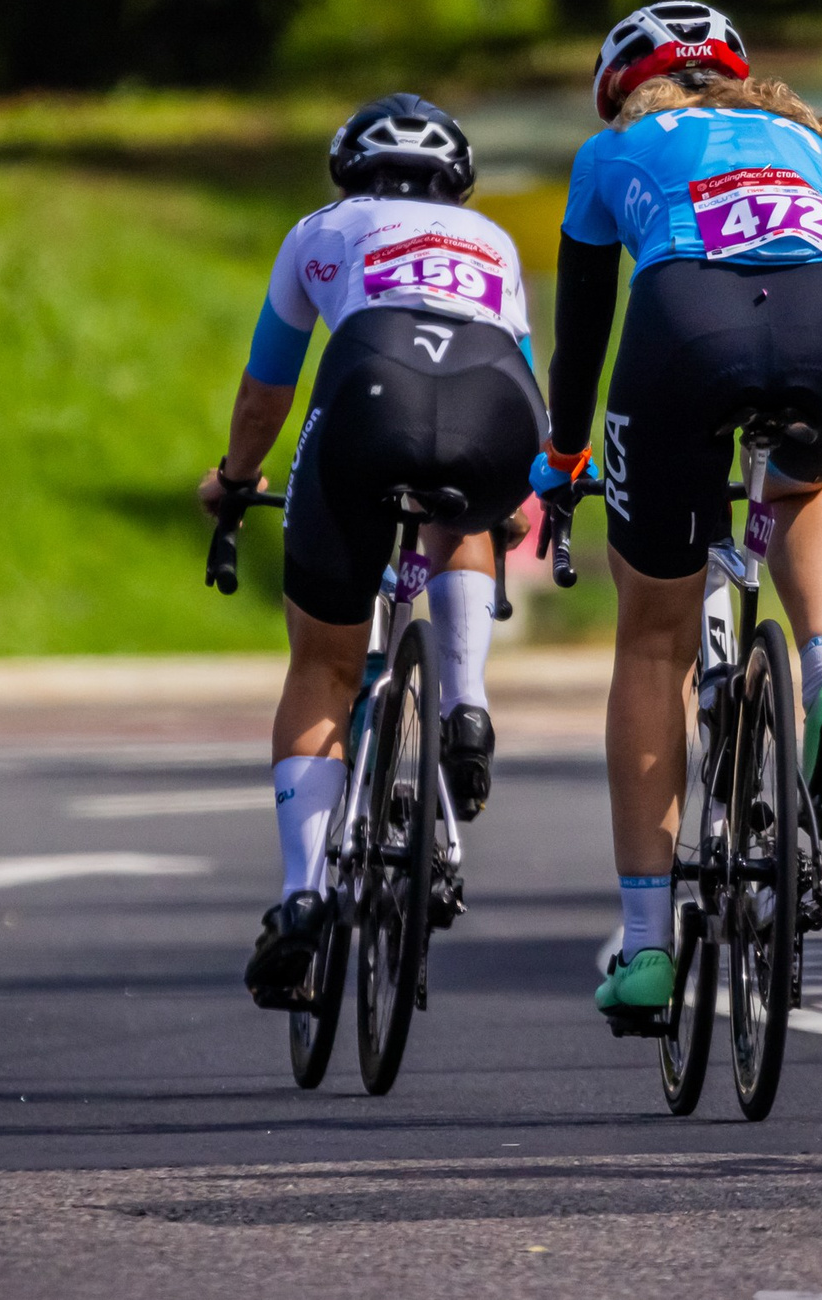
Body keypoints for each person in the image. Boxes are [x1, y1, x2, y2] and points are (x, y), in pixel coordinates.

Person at [538, 0, 822, 1022]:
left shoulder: (613, 152)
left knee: (652, 640)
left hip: (686, 323)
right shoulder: (812, 138)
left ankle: (647, 948)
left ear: (620, 88)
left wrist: (563, 458)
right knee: (805, 482)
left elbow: (583, 332)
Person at [204, 93, 544, 1004]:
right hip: (496, 399)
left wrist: (237, 481)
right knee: (466, 507)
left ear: (349, 167)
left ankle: (303, 896)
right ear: (455, 181)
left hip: (370, 391)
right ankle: (467, 704)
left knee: (323, 664)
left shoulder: (323, 228)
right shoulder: (495, 244)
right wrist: (513, 506)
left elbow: (265, 394)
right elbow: (527, 383)